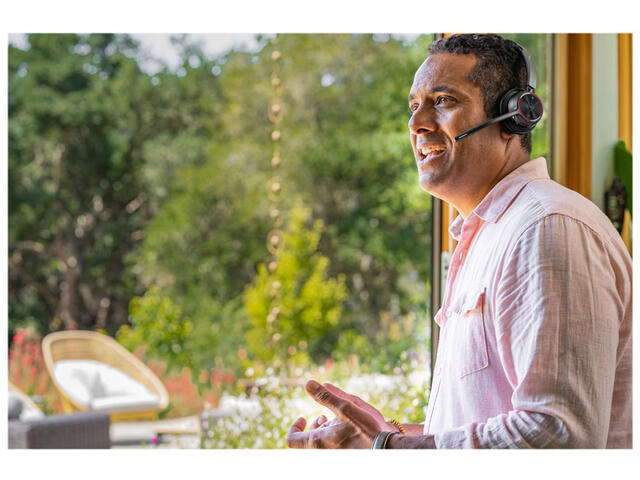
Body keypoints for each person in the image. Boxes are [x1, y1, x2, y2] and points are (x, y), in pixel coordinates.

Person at [286, 34, 632, 449]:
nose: (416, 123)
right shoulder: (492, 232)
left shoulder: (546, 227)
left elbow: (557, 438)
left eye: (443, 101)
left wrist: (388, 450)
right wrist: (379, 435)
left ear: (514, 116)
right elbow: (486, 423)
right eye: (414, 106)